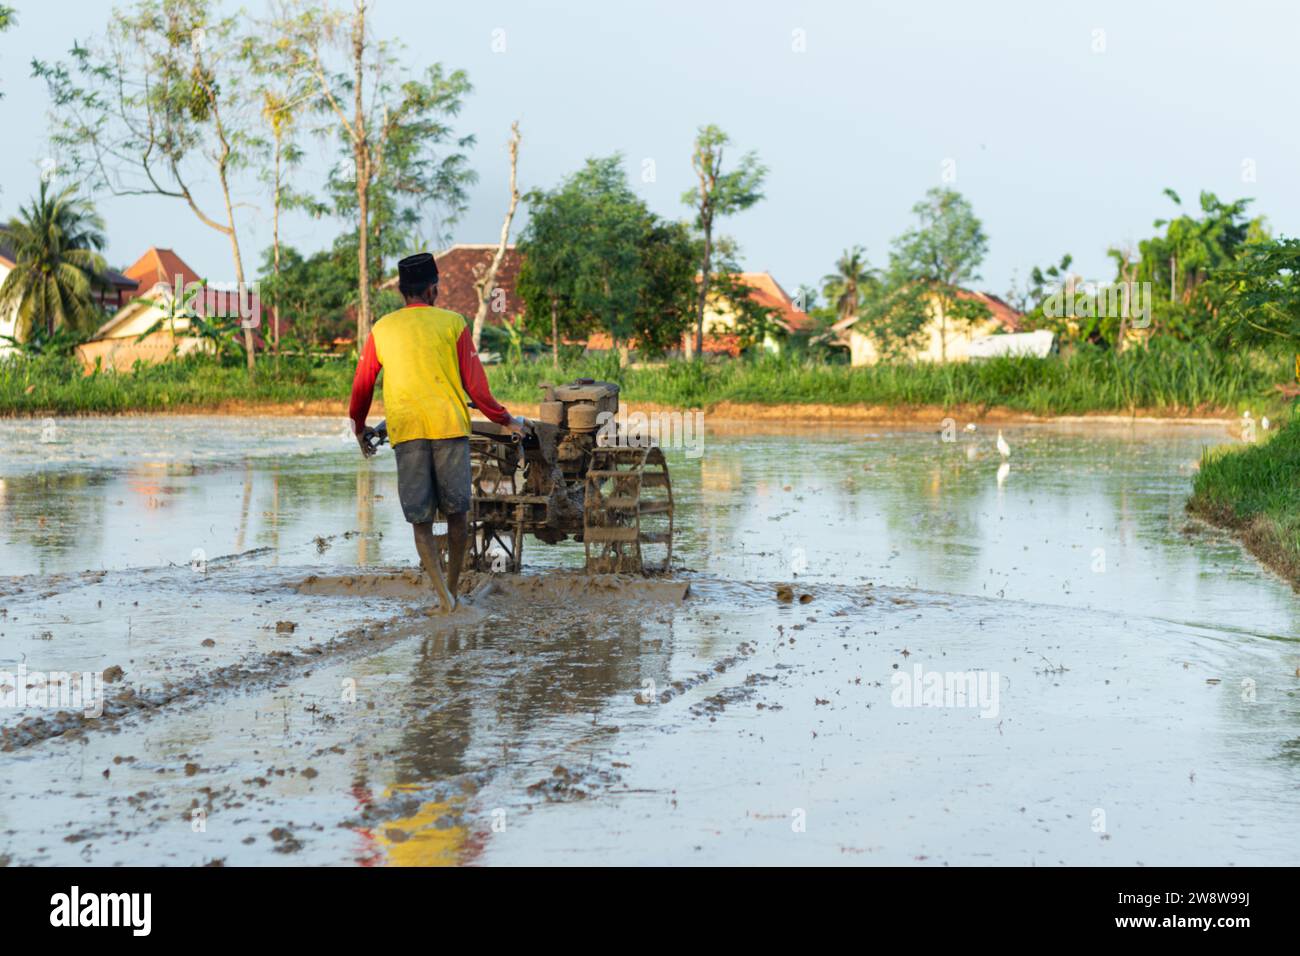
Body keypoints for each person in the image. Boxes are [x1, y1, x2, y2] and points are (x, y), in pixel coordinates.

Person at [348, 252, 528, 612]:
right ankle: (452, 588)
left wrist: (358, 426)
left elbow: (362, 387)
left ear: (402, 291)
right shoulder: (454, 324)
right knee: (459, 513)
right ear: (433, 290)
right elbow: (476, 388)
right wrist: (505, 419)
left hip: (407, 431)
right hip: (448, 428)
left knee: (421, 520)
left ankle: (443, 596)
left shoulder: (381, 329)